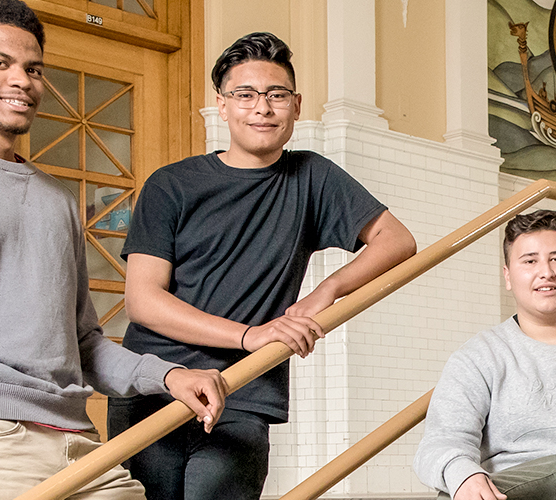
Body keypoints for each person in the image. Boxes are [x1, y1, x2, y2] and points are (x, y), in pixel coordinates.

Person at [0, 1, 228, 499]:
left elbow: (83, 343)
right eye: (0, 63)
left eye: (33, 68)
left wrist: (167, 375)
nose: (23, 80)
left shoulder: (57, 199)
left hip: (77, 441)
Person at [111, 32, 418, 500]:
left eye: (276, 95)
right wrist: (249, 336)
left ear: (296, 105)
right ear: (222, 104)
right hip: (155, 386)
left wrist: (327, 290)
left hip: (241, 393)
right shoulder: (171, 185)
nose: (263, 107)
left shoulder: (311, 176)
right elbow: (144, 301)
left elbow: (397, 240)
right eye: (246, 94)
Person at [415, 210, 556, 500]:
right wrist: (464, 476)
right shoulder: (478, 357)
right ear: (507, 276)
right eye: (530, 261)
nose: (546, 272)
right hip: (521, 487)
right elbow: (441, 441)